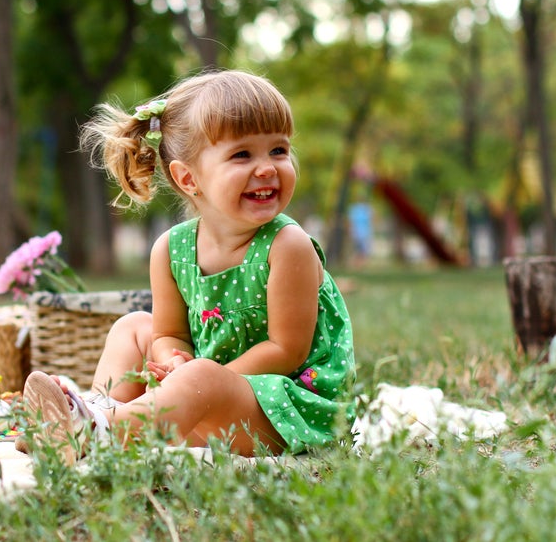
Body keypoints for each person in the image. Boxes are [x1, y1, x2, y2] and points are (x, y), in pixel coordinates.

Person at [21, 69, 355, 463]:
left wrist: (196, 375)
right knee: (132, 328)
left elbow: (285, 351)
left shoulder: (287, 245)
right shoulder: (171, 249)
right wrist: (174, 358)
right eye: (242, 154)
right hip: (205, 399)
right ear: (187, 177)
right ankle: (98, 411)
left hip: (289, 412)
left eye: (278, 150)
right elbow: (169, 334)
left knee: (202, 377)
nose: (267, 167)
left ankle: (104, 432)